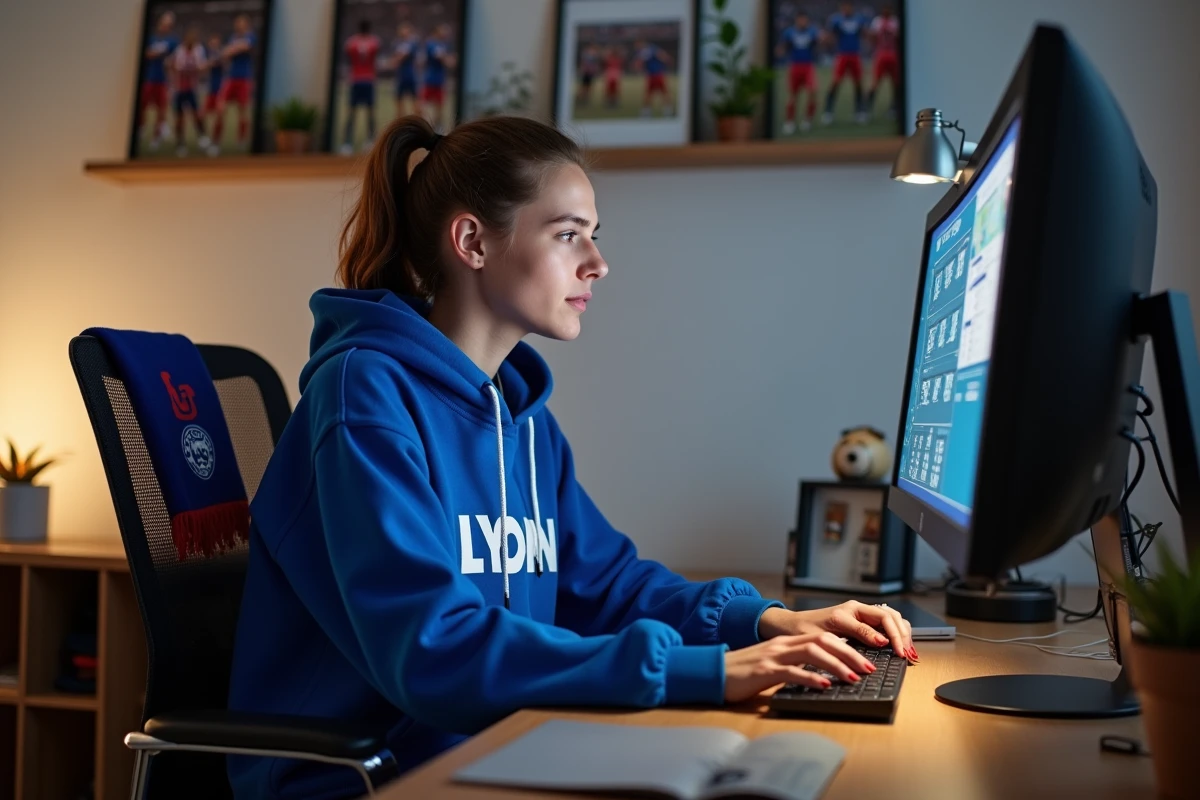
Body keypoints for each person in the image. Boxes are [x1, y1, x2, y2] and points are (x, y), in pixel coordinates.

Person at [227, 114, 916, 799]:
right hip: (363, 780)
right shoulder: (363, 394)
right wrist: (711, 671)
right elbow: (433, 651)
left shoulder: (525, 421)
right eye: (567, 235)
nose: (598, 263)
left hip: (500, 749)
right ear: (471, 240)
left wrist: (766, 622)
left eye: (593, 236)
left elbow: (610, 587)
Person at [823, 2, 870, 125]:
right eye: (844, 6)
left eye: (848, 6)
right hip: (842, 55)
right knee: (835, 82)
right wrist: (827, 42)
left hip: (855, 55)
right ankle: (828, 112)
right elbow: (830, 36)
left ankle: (860, 111)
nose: (846, 9)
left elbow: (865, 34)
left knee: (858, 83)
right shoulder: (836, 20)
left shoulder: (859, 19)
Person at [777, 11, 822, 134]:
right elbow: (783, 47)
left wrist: (822, 40)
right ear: (797, 20)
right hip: (795, 66)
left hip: (808, 66)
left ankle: (808, 120)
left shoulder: (812, 32)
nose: (802, 22)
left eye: (804, 20)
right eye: (800, 20)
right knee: (793, 95)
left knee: (813, 92)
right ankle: (789, 121)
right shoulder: (789, 33)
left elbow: (819, 44)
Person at [167, 26, 210, 157]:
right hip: (179, 88)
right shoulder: (179, 50)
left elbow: (202, 67)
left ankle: (202, 137)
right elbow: (172, 65)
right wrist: (174, 77)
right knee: (180, 118)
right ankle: (180, 144)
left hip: (192, 88)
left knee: (197, 114)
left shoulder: (198, 50)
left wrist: (199, 69)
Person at [138, 11, 177, 152]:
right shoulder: (151, 38)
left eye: (169, 25)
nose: (166, 27)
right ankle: (141, 129)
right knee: (142, 106)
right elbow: (147, 54)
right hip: (149, 78)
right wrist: (157, 53)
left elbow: (172, 61)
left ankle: (156, 137)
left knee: (161, 110)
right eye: (164, 24)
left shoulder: (172, 41)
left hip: (163, 80)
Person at [342, 19, 381, 154]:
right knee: (370, 113)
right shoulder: (374, 42)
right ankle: (370, 141)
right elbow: (375, 60)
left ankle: (347, 143)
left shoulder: (351, 42)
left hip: (356, 79)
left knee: (352, 113)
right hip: (369, 80)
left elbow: (349, 59)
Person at [220, 14, 258, 150]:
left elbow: (243, 47)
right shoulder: (233, 37)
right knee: (221, 107)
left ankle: (241, 140)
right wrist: (232, 50)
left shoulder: (251, 36)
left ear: (246, 24)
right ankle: (216, 140)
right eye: (237, 23)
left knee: (242, 111)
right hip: (231, 77)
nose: (238, 25)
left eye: (241, 23)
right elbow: (225, 53)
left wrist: (231, 50)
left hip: (244, 78)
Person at [421, 23, 457, 131]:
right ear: (437, 31)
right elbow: (443, 58)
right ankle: (429, 126)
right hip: (431, 79)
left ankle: (436, 126)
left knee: (439, 106)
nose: (446, 34)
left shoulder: (442, 44)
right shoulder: (432, 44)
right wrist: (450, 60)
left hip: (439, 79)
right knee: (426, 105)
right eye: (444, 31)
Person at [867, 4, 901, 120]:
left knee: (895, 83)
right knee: (875, 83)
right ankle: (867, 108)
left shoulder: (893, 22)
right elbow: (872, 37)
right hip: (882, 54)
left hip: (891, 54)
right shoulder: (878, 21)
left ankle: (894, 108)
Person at [634, 39, 673, 117]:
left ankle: (665, 110)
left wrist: (666, 59)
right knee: (653, 93)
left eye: (637, 45)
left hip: (656, 74)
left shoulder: (648, 50)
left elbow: (662, 55)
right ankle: (666, 110)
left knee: (659, 93)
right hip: (653, 74)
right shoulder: (649, 49)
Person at [201, 34, 226, 155]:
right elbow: (203, 67)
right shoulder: (207, 55)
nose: (213, 45)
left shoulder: (222, 54)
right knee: (202, 115)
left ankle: (216, 144)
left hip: (220, 90)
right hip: (210, 90)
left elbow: (223, 63)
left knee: (219, 117)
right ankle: (205, 138)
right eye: (212, 43)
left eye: (215, 42)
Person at [391, 21, 421, 118]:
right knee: (399, 101)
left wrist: (395, 60)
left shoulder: (411, 43)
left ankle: (419, 122)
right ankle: (400, 123)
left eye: (406, 30)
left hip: (410, 75)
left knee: (416, 101)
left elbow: (400, 57)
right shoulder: (397, 43)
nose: (404, 32)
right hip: (400, 76)